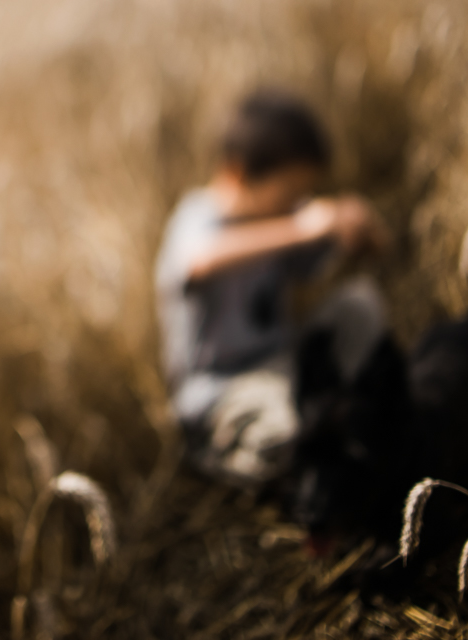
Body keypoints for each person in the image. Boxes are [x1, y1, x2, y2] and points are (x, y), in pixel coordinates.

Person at [154, 89, 392, 489]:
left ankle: (348, 415)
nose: (297, 203)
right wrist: (300, 228)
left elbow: (320, 262)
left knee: (358, 303)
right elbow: (200, 260)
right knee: (284, 435)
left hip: (282, 365)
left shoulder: (281, 219)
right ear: (238, 173)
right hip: (221, 394)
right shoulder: (196, 218)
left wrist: (355, 233)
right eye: (290, 192)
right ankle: (217, 454)